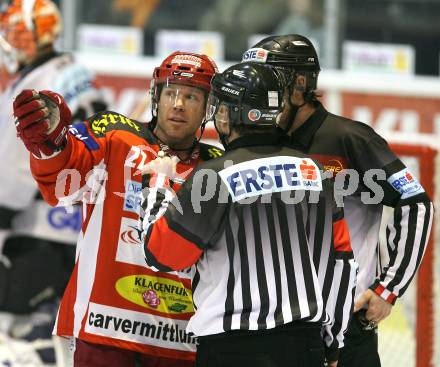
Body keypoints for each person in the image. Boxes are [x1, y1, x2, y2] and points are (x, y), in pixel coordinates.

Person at [138, 62, 358, 367]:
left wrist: (158, 183)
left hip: (232, 349)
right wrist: (332, 345)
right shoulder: (318, 173)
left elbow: (161, 254)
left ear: (227, 114)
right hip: (304, 346)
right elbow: (342, 265)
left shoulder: (213, 177)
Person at [12, 51, 222, 366]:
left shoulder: (217, 166)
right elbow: (61, 185)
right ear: (156, 95)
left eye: (191, 96)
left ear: (208, 107)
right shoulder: (114, 134)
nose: (179, 103)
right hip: (105, 328)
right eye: (171, 93)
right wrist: (51, 144)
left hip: (180, 339)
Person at [241, 34, 434, 367]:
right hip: (271, 324)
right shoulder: (258, 140)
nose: (260, 96)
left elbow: (415, 203)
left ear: (300, 84)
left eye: (269, 82)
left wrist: (388, 289)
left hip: (344, 324)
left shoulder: (350, 139)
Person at [0, 0, 107, 364]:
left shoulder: (36, 85)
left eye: (16, 32)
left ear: (37, 36)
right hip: (77, 225)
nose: (9, 40)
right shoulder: (74, 69)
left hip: (37, 230)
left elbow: (14, 173)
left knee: (14, 331)